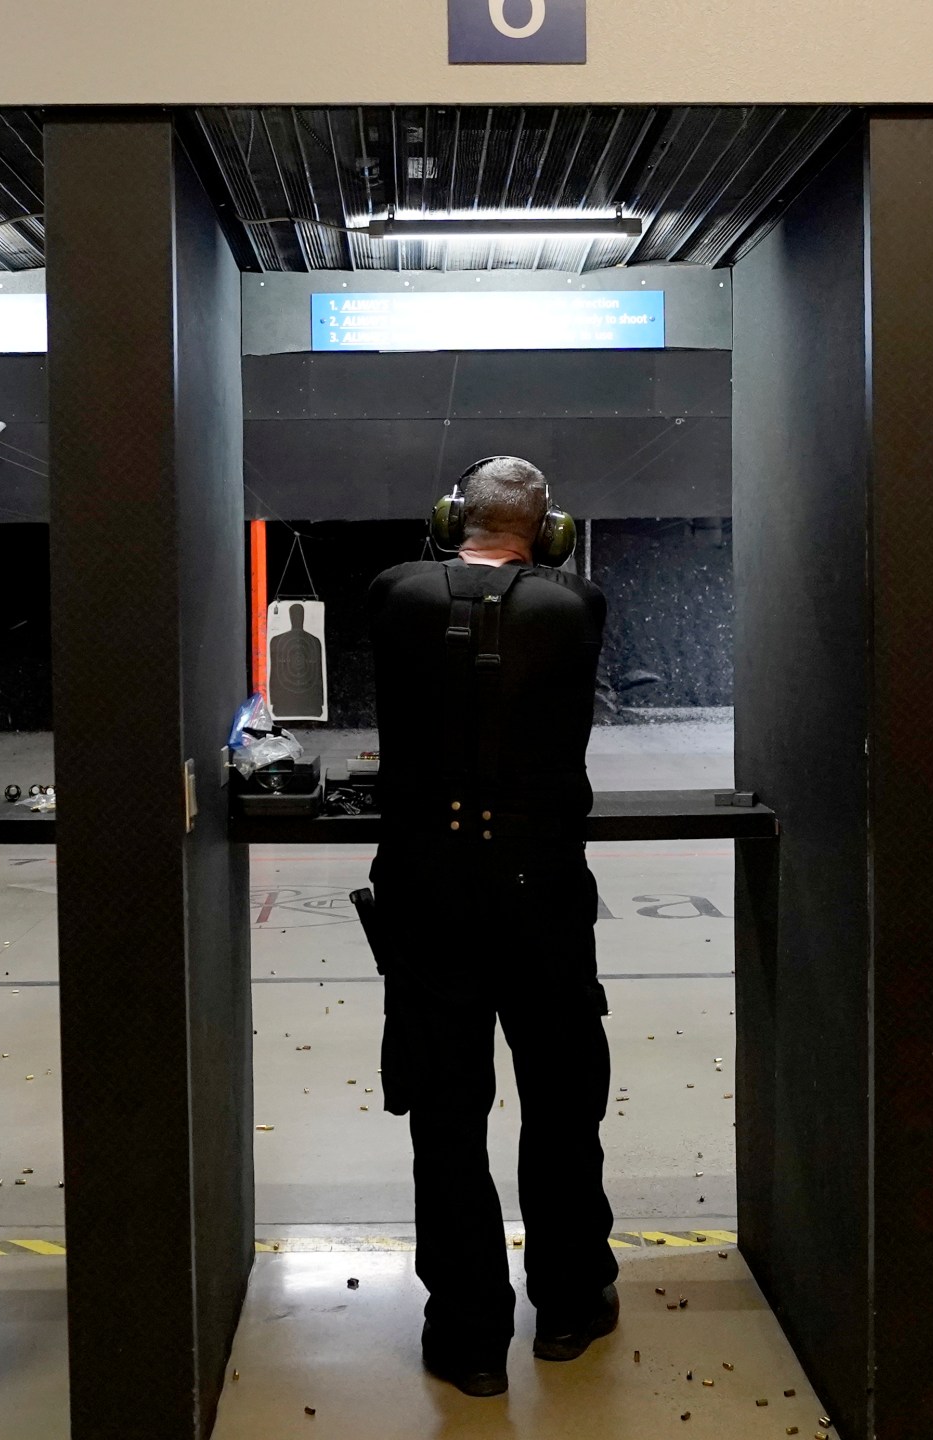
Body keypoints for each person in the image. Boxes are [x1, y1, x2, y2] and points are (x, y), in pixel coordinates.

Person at [363, 456, 617, 1397]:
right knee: (561, 1105)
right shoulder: (575, 605)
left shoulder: (393, 595)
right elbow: (533, 603)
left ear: (445, 521)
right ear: (549, 532)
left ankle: (468, 1336)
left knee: (446, 1115)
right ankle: (569, 1304)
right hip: (541, 893)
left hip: (428, 892)